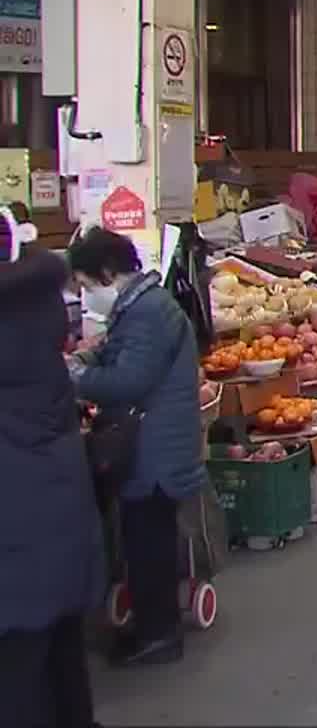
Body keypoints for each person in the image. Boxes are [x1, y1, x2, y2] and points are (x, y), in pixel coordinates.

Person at [67, 226, 206, 667]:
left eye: (88, 286)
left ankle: (158, 635)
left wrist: (75, 378)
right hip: (158, 444)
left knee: (149, 544)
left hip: (154, 451)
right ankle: (151, 626)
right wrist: (86, 359)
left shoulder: (146, 312)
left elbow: (129, 380)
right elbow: (119, 356)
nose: (87, 296)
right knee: (148, 540)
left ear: (108, 274)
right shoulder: (143, 306)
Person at [1, 212, 103, 721]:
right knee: (63, 669)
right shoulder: (46, 379)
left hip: (14, 579)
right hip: (59, 559)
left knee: (21, 688)